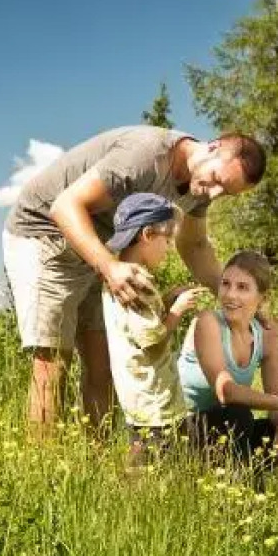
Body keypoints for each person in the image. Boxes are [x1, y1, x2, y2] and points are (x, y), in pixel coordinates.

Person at [1, 125, 267, 430]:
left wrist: (238, 300)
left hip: (99, 247)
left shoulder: (200, 188)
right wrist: (108, 267)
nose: (215, 193)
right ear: (213, 147)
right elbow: (64, 206)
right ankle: (41, 469)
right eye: (219, 180)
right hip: (45, 233)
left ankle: (96, 466)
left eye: (226, 193)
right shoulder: (144, 156)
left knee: (103, 366)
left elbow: (193, 245)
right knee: (53, 359)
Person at [99, 193, 205, 462]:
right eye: (167, 240)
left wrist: (168, 297)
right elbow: (152, 338)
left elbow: (139, 321)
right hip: (152, 396)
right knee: (151, 456)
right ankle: (131, 496)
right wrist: (177, 310)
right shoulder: (136, 284)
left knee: (154, 451)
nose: (169, 249)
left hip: (141, 393)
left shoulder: (123, 277)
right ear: (147, 234)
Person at [177, 250, 278, 466]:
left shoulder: (269, 334)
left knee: (276, 431)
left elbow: (277, 401)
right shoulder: (207, 322)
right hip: (184, 430)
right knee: (238, 416)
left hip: (225, 431)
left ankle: (271, 494)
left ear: (262, 297)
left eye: (242, 287)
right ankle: (238, 488)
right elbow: (226, 391)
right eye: (225, 284)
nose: (230, 295)